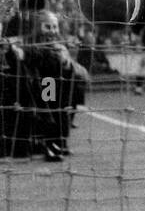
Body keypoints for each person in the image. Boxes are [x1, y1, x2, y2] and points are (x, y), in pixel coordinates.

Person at [0, 9, 89, 161]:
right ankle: (45, 141)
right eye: (47, 27)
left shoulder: (60, 47)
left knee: (58, 88)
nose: (52, 31)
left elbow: (80, 73)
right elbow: (27, 51)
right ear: (37, 27)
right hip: (28, 91)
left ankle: (55, 141)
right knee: (43, 90)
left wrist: (69, 65)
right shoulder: (25, 43)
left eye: (55, 27)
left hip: (49, 91)